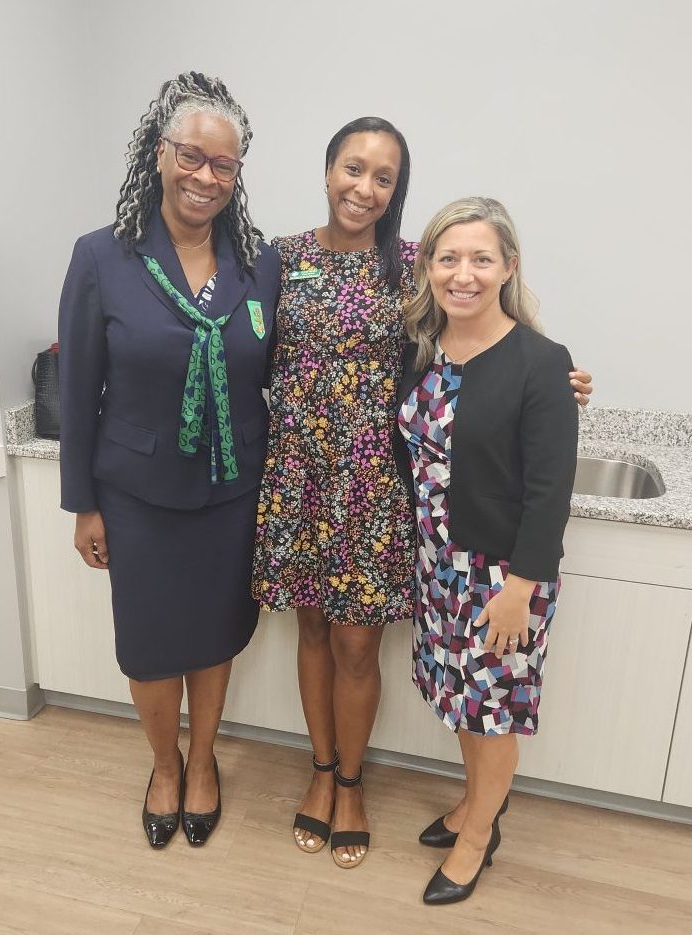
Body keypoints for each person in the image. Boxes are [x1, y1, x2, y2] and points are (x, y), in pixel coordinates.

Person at [253, 118, 591, 869]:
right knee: (309, 632)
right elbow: (243, 342)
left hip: (377, 488)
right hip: (297, 476)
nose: (364, 187)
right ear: (327, 170)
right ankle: (318, 774)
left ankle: (351, 783)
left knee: (354, 643)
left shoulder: (410, 264)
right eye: (352, 168)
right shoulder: (282, 258)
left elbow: (486, 330)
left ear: (396, 191)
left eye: (383, 177)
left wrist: (557, 381)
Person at [58, 72, 280, 849]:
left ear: (237, 176)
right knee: (151, 645)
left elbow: (315, 358)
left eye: (224, 166)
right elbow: (78, 385)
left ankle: (205, 761)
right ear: (160, 154)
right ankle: (163, 762)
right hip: (137, 495)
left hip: (231, 493)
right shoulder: (101, 257)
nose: (206, 177)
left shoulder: (260, 265)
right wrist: (83, 501)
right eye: (192, 157)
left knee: (214, 635)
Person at [394, 196, 578, 904]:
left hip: (501, 577)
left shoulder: (540, 362)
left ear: (506, 267)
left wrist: (520, 587)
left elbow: (548, 489)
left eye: (479, 258)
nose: (462, 273)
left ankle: (479, 834)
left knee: (491, 710)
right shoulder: (422, 347)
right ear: (429, 267)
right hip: (438, 566)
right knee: (459, 702)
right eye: (448, 258)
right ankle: (474, 803)